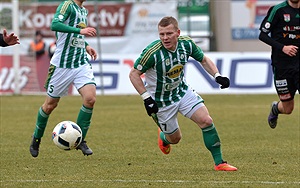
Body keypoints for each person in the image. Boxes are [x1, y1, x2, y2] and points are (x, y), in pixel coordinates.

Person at [129, 16, 237, 171]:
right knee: (175, 139)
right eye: (161, 34)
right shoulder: (152, 53)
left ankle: (219, 163)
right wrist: (147, 99)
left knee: (206, 120)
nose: (165, 38)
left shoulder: (186, 44)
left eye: (169, 34)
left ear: (177, 32)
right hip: (161, 102)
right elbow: (133, 73)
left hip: (182, 92)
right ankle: (163, 137)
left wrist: (217, 76)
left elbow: (204, 60)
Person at [29, 0, 97, 157]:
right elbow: (55, 25)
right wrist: (81, 32)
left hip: (80, 63)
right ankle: (37, 137)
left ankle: (80, 140)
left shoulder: (83, 11)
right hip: (61, 66)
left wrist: (86, 45)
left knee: (90, 99)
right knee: (50, 105)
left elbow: (75, 34)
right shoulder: (67, 5)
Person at [258, 0, 299, 129]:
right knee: (288, 108)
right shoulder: (278, 10)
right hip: (282, 65)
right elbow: (262, 35)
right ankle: (276, 108)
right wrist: (283, 48)